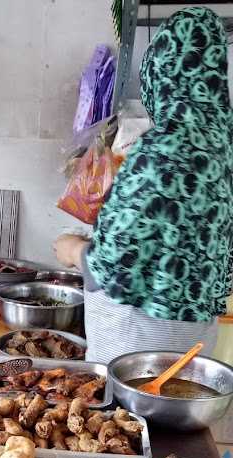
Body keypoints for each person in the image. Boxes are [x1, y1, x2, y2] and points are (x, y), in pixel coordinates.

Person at [54, 6, 233, 364]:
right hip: (194, 343)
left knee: (124, 421)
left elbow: (110, 268)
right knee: (173, 414)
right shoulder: (223, 149)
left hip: (136, 345)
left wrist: (73, 249)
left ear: (160, 74)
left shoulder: (163, 148)